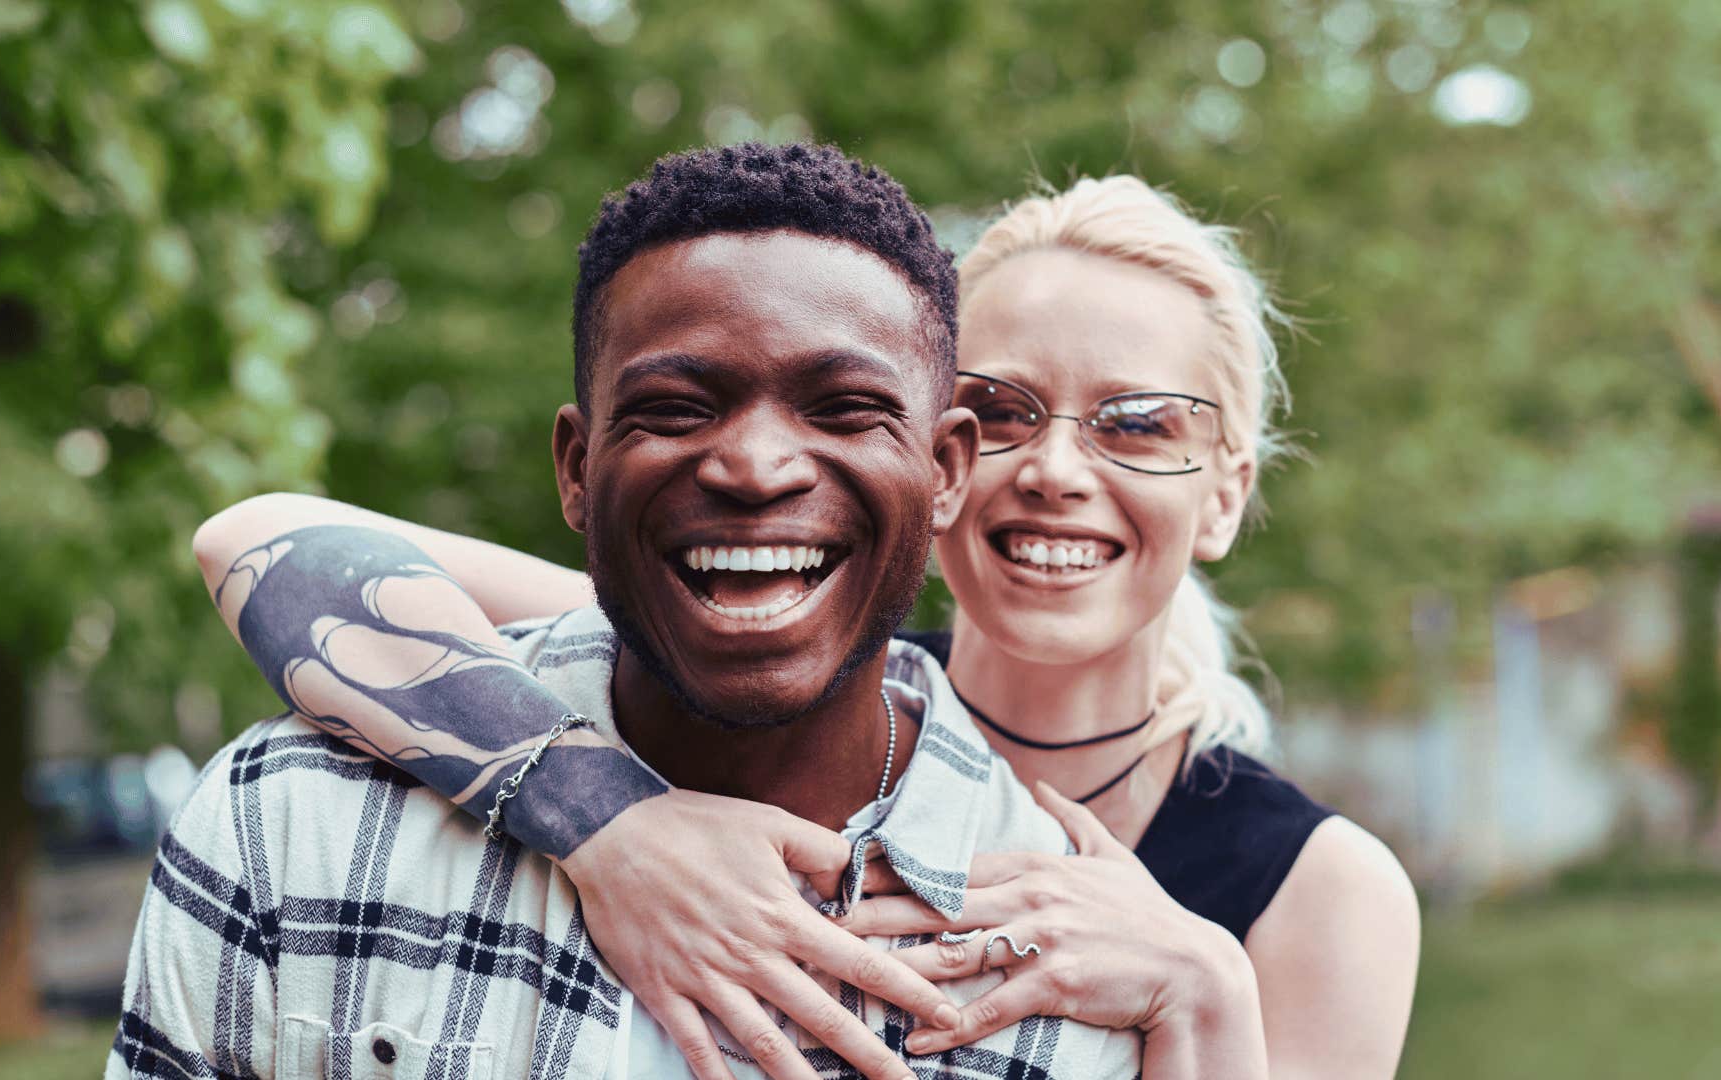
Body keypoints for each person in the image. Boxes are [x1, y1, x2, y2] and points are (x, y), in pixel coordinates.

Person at [188, 172, 1418, 1077]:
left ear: (1225, 491)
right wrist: (612, 825)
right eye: (1001, 410)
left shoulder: (1320, 888)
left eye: (1136, 422)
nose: (1052, 470)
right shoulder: (764, 656)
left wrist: (1205, 987)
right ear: (942, 457)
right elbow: (265, 542)